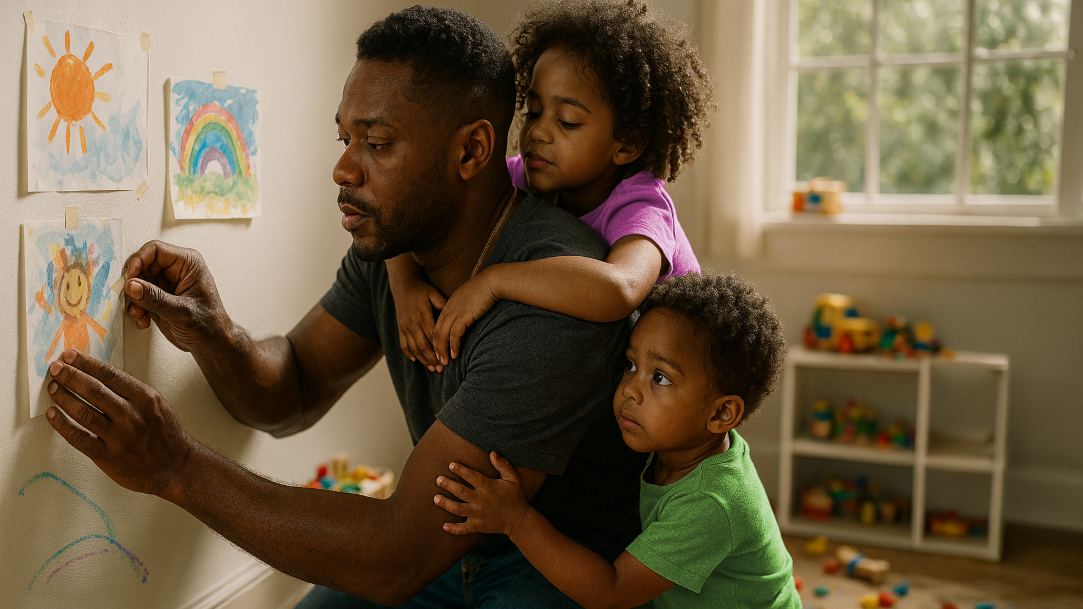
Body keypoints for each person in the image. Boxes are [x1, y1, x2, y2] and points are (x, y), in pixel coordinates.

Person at [42, 6, 644, 608]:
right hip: (452, 549)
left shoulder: (554, 299)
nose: (343, 168)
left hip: (564, 565)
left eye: (377, 144)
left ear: (471, 151)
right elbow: (295, 386)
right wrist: (212, 332)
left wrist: (176, 467)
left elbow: (397, 559)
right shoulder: (395, 250)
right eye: (344, 139)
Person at [434, 271, 801, 609]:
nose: (630, 391)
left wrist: (516, 520)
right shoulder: (684, 442)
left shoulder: (712, 502)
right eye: (630, 365)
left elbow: (613, 590)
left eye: (660, 378)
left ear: (721, 414)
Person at [386, 0, 714, 372]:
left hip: (679, 380)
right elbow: (422, 200)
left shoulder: (641, 206)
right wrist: (404, 285)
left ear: (627, 143)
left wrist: (494, 282)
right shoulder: (525, 173)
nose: (537, 132)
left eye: (568, 121)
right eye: (533, 112)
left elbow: (620, 288)